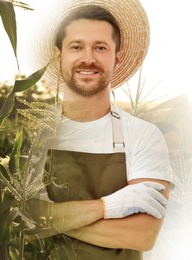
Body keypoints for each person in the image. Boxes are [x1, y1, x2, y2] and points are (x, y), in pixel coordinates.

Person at [28, 1, 172, 259]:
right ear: (59, 56)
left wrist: (51, 221)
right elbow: (22, 218)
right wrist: (109, 206)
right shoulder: (34, 136)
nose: (88, 58)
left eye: (100, 47)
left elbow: (141, 235)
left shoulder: (144, 136)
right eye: (76, 46)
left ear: (116, 58)